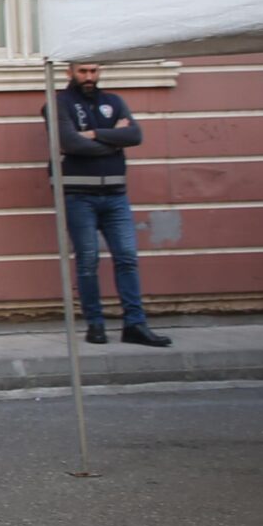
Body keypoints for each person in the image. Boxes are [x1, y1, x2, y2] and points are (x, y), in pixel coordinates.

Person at [56, 63, 173, 347]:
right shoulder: (59, 102)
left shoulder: (114, 101)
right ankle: (95, 325)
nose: (89, 77)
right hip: (78, 194)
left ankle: (135, 324)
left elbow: (135, 135)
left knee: (127, 259)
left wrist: (94, 135)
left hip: (116, 194)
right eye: (82, 71)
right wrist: (113, 138)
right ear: (69, 72)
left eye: (94, 71)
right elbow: (70, 143)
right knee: (88, 260)